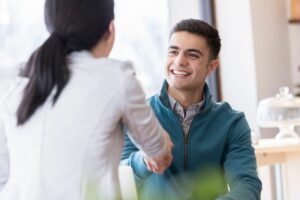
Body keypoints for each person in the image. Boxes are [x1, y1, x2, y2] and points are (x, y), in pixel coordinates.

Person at [0, 0, 174, 199]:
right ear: (110, 29)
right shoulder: (117, 78)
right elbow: (159, 153)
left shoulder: (17, 86)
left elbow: (3, 175)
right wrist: (161, 149)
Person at [121, 19, 262, 200]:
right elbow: (118, 178)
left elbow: (247, 185)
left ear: (211, 67)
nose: (179, 61)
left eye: (192, 55)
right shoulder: (137, 115)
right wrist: (145, 159)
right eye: (173, 52)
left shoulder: (232, 122)